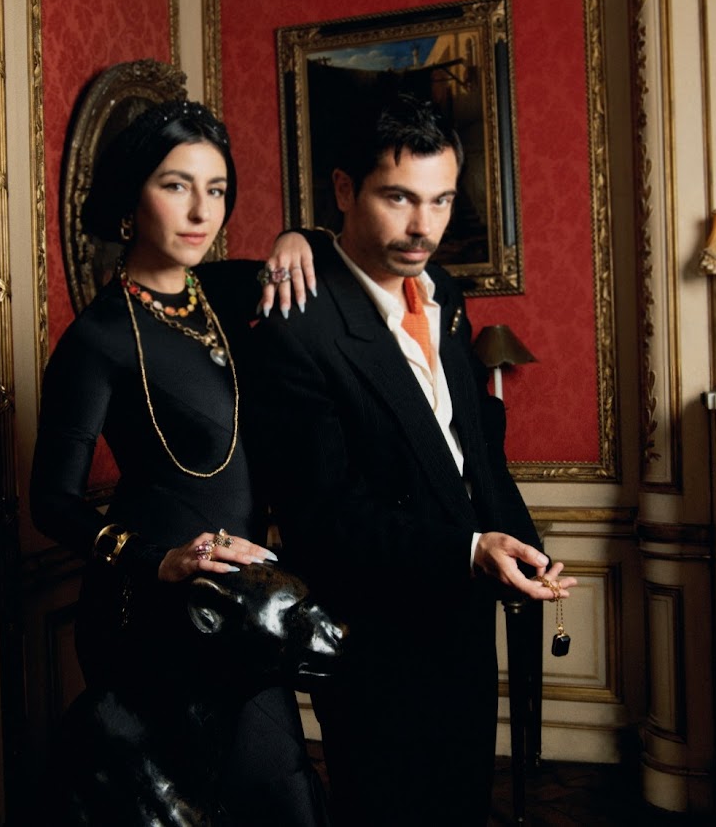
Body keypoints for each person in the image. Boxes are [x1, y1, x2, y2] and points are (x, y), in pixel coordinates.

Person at [241, 92, 577, 826]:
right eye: (398, 198)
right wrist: (468, 550)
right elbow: (322, 518)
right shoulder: (295, 327)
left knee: (462, 805)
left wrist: (525, 551)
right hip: (376, 639)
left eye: (441, 200)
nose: (424, 226)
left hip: (463, 613)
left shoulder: (443, 292)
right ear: (344, 189)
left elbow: (473, 450)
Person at [29, 99, 327, 826]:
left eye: (216, 189)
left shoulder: (227, 291)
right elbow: (50, 500)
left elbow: (321, 260)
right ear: (132, 197)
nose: (201, 211)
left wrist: (298, 235)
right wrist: (155, 560)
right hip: (152, 609)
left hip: (242, 603)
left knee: (286, 796)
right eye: (176, 185)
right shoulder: (97, 338)